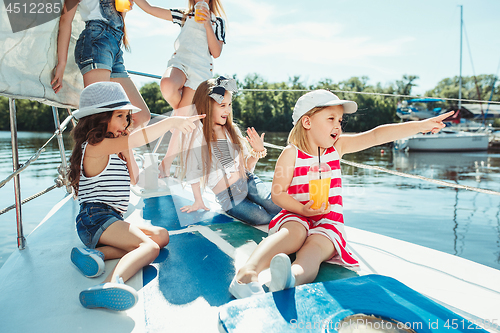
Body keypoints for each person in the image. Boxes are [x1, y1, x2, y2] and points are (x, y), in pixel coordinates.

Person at [228, 89, 454, 299]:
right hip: (298, 216)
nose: (338, 126)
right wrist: (302, 209)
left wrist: (418, 126)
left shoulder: (338, 147)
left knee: (315, 249)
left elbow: (376, 135)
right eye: (331, 119)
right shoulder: (291, 154)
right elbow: (278, 195)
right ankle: (246, 274)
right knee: (292, 233)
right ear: (307, 122)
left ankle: (289, 278)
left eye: (340, 121)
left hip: (329, 222)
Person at [68, 81, 203, 310]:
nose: (126, 121)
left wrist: (127, 148)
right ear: (100, 118)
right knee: (149, 248)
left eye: (127, 116)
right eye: (120, 116)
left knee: (160, 237)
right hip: (95, 218)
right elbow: (140, 138)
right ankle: (109, 285)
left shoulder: (114, 148)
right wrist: (171, 121)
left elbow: (134, 178)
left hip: (109, 219)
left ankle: (94, 254)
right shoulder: (94, 146)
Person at [180, 76, 281, 226]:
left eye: (229, 104)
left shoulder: (231, 130)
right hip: (228, 196)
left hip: (248, 180)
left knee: (275, 205)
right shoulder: (196, 134)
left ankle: (295, 219)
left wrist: (257, 151)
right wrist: (198, 200)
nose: (227, 110)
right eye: (222, 105)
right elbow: (192, 170)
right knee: (260, 217)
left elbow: (246, 165)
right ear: (207, 106)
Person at [152, 0, 227, 177]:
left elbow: (216, 52)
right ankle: (178, 113)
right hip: (181, 64)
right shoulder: (184, 15)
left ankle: (165, 164)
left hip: (200, 71)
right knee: (167, 85)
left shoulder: (218, 21)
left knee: (181, 120)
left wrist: (207, 23)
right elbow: (150, 9)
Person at [51, 0, 150, 130]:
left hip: (115, 47)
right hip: (96, 43)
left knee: (142, 116)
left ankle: (113, 148)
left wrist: (124, 10)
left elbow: (118, 20)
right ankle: (92, 149)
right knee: (99, 117)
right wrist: (61, 64)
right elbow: (65, 21)